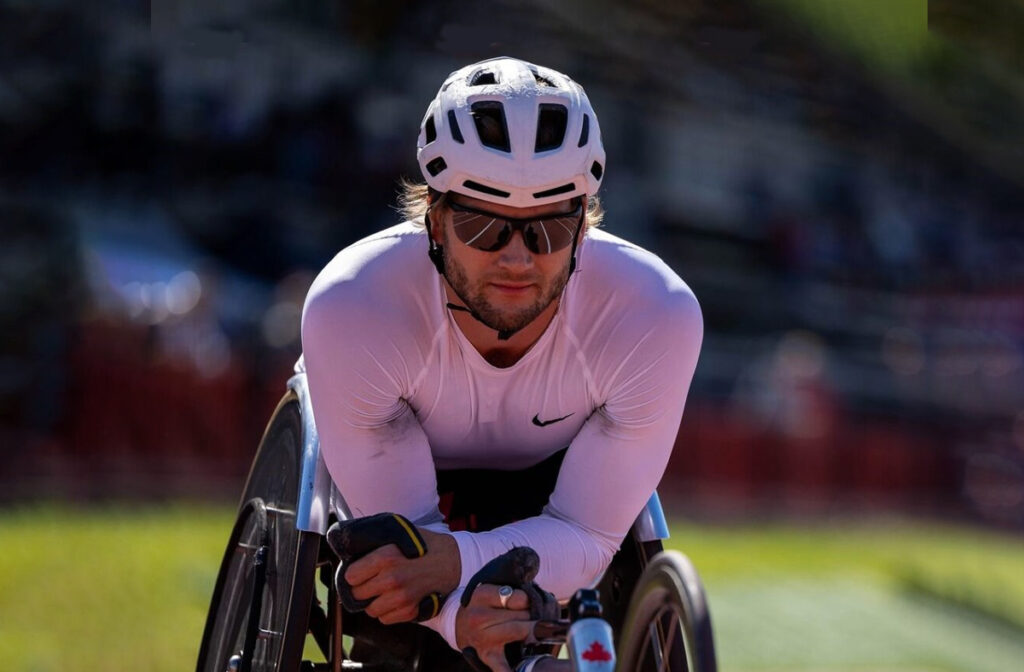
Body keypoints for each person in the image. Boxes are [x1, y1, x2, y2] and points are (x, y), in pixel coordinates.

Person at [300, 56, 703, 672]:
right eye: (482, 225)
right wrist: (455, 612)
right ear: (435, 220)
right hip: (407, 495)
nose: (516, 259)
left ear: (583, 227)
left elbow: (589, 534)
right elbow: (405, 560)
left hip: (556, 491)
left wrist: (454, 565)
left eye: (547, 230)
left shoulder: (655, 314)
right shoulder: (355, 306)